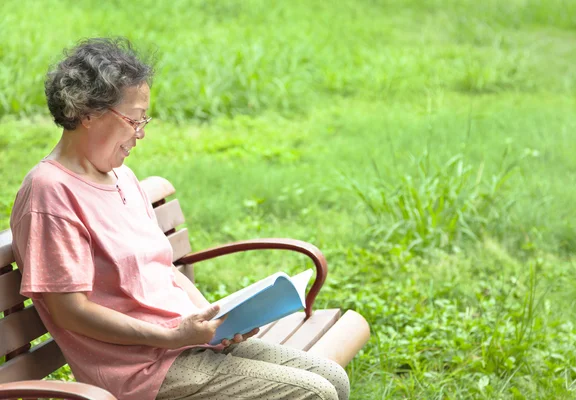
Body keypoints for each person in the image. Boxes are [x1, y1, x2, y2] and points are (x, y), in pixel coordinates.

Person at [9, 37, 350, 400]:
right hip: (142, 371)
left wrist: (215, 320)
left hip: (185, 345)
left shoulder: (121, 176)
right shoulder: (50, 192)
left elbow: (163, 268)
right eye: (133, 121)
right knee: (314, 393)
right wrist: (171, 336)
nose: (140, 134)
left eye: (145, 120)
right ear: (87, 113)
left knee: (332, 378)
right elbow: (71, 312)